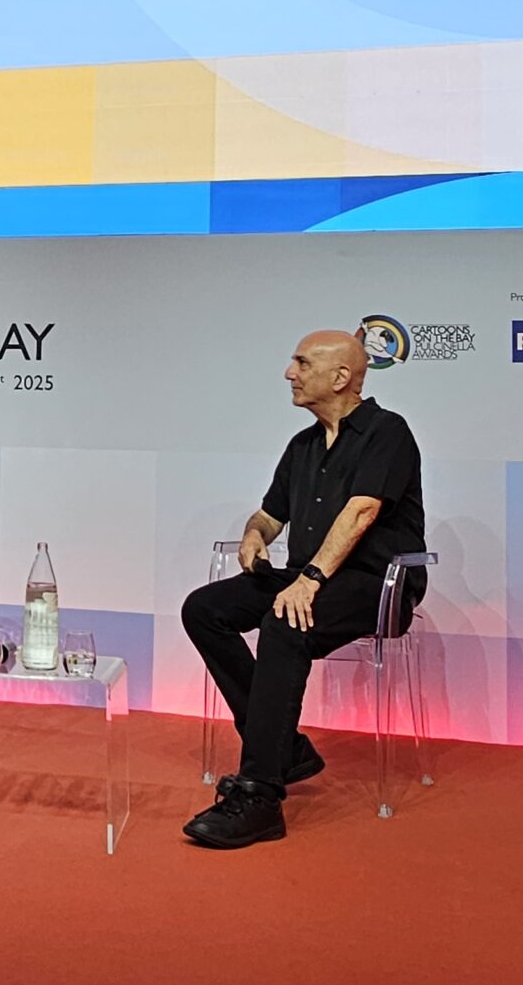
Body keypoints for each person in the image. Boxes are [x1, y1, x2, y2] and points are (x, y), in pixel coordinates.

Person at [177, 329, 427, 848]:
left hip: (374, 585)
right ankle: (285, 747)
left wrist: (310, 579)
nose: (290, 373)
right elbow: (270, 515)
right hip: (308, 577)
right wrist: (255, 535)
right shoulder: (303, 445)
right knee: (204, 609)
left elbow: (362, 511)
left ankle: (260, 795)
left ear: (341, 377)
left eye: (302, 363)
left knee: (284, 622)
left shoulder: (387, 432)